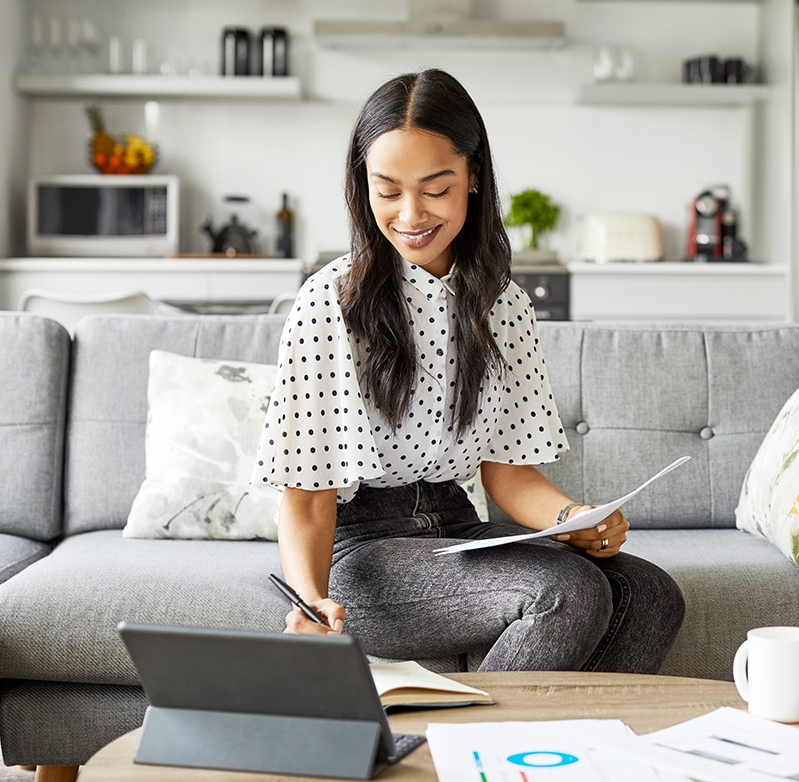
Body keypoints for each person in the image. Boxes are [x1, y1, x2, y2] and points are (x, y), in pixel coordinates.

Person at [255, 68, 685, 673]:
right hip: (365, 549)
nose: (410, 214)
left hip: (458, 526)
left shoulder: (502, 303)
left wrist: (574, 521)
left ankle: (565, 755)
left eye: (436, 188)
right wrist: (311, 601)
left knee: (652, 594)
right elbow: (305, 497)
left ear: (473, 177)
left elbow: (508, 473)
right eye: (388, 190)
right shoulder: (330, 300)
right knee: (567, 592)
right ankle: (476, 758)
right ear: (363, 186)